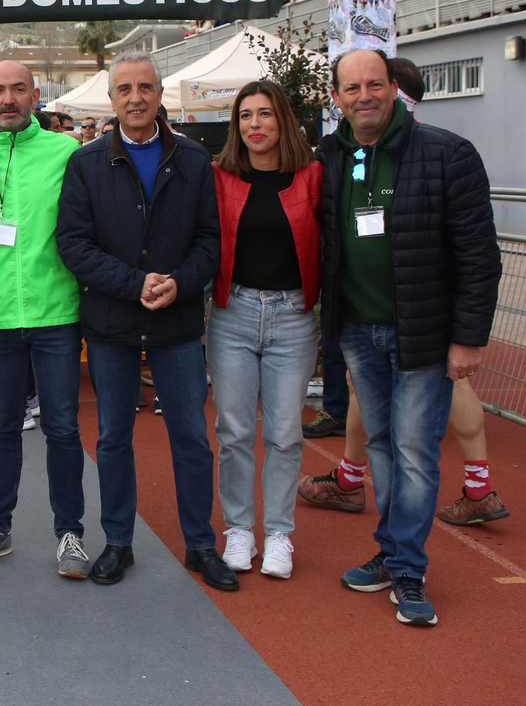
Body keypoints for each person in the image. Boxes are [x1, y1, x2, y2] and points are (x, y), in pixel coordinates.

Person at [317, 48, 501, 627]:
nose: (364, 96)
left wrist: (468, 338)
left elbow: (479, 256)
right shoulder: (328, 156)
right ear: (336, 97)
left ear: (394, 87)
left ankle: (408, 569)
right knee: (381, 448)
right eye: (352, 88)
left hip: (423, 334)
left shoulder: (448, 153)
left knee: (416, 453)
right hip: (357, 331)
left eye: (375, 84)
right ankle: (393, 552)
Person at [55, 54, 232, 591]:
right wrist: (136, 284)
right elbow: (74, 244)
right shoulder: (85, 163)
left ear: (160, 95)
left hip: (176, 322)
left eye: (146, 88)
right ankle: (118, 542)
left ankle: (201, 544)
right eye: (125, 89)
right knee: (113, 438)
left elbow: (210, 240)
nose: (136, 97)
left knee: (192, 438)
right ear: (112, 99)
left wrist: (180, 281)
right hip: (111, 322)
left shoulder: (195, 160)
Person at [0, 60, 89, 579]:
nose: (8, 99)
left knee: (63, 429)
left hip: (57, 311)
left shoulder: (65, 152)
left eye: (18, 89)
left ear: (36, 95)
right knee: (3, 426)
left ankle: (70, 534)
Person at [206, 82, 322, 580]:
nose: (255, 124)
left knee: (285, 433)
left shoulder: (313, 176)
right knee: (233, 431)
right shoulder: (219, 177)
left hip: (294, 316)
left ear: (284, 121)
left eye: (266, 115)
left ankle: (278, 533)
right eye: (246, 116)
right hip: (233, 313)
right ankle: (238, 529)